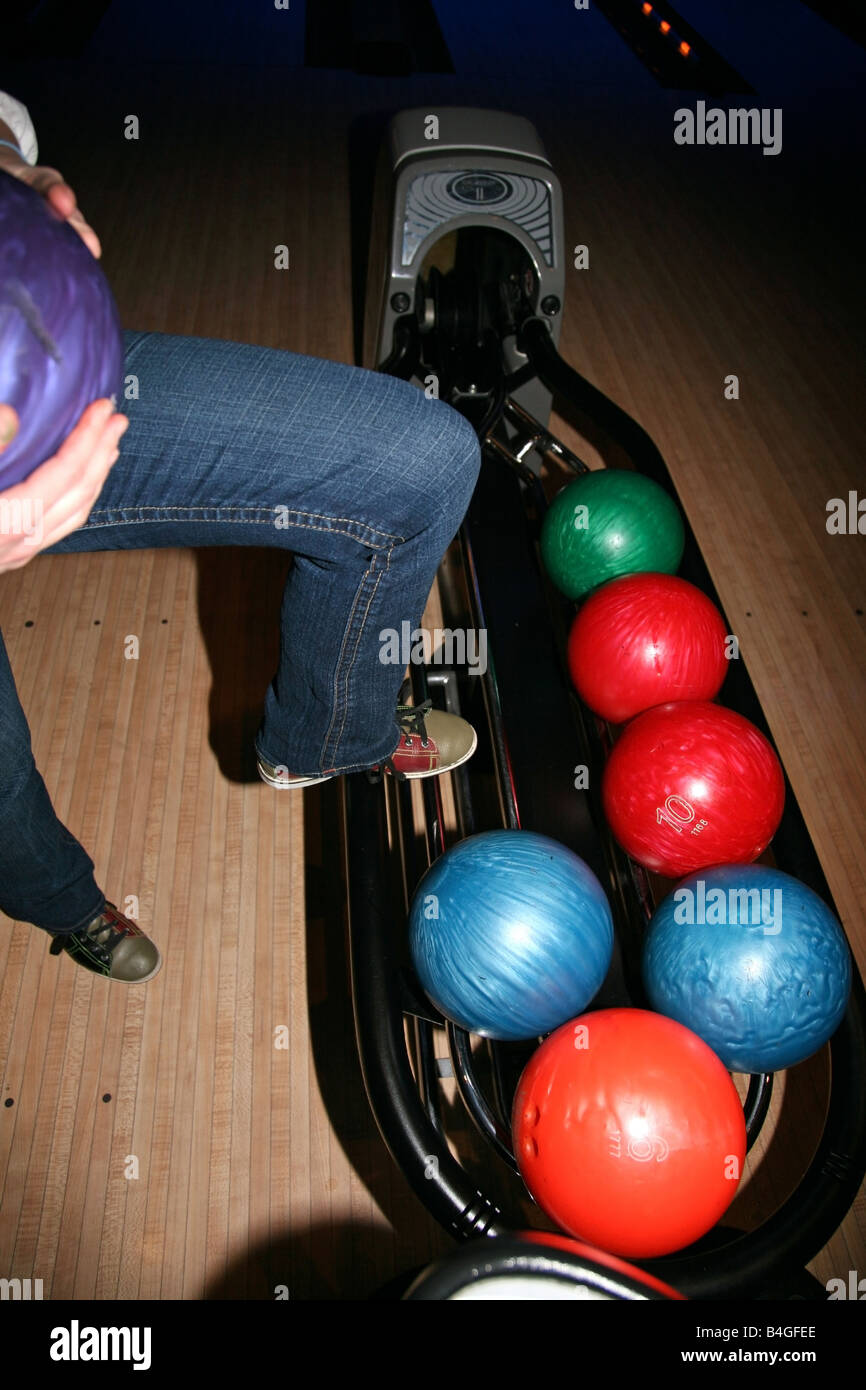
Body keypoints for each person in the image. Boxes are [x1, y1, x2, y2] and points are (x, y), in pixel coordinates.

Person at [0, 92, 481, 985]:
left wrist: (7, 157)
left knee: (422, 461)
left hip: (49, 367)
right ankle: (59, 899)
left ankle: (329, 737)